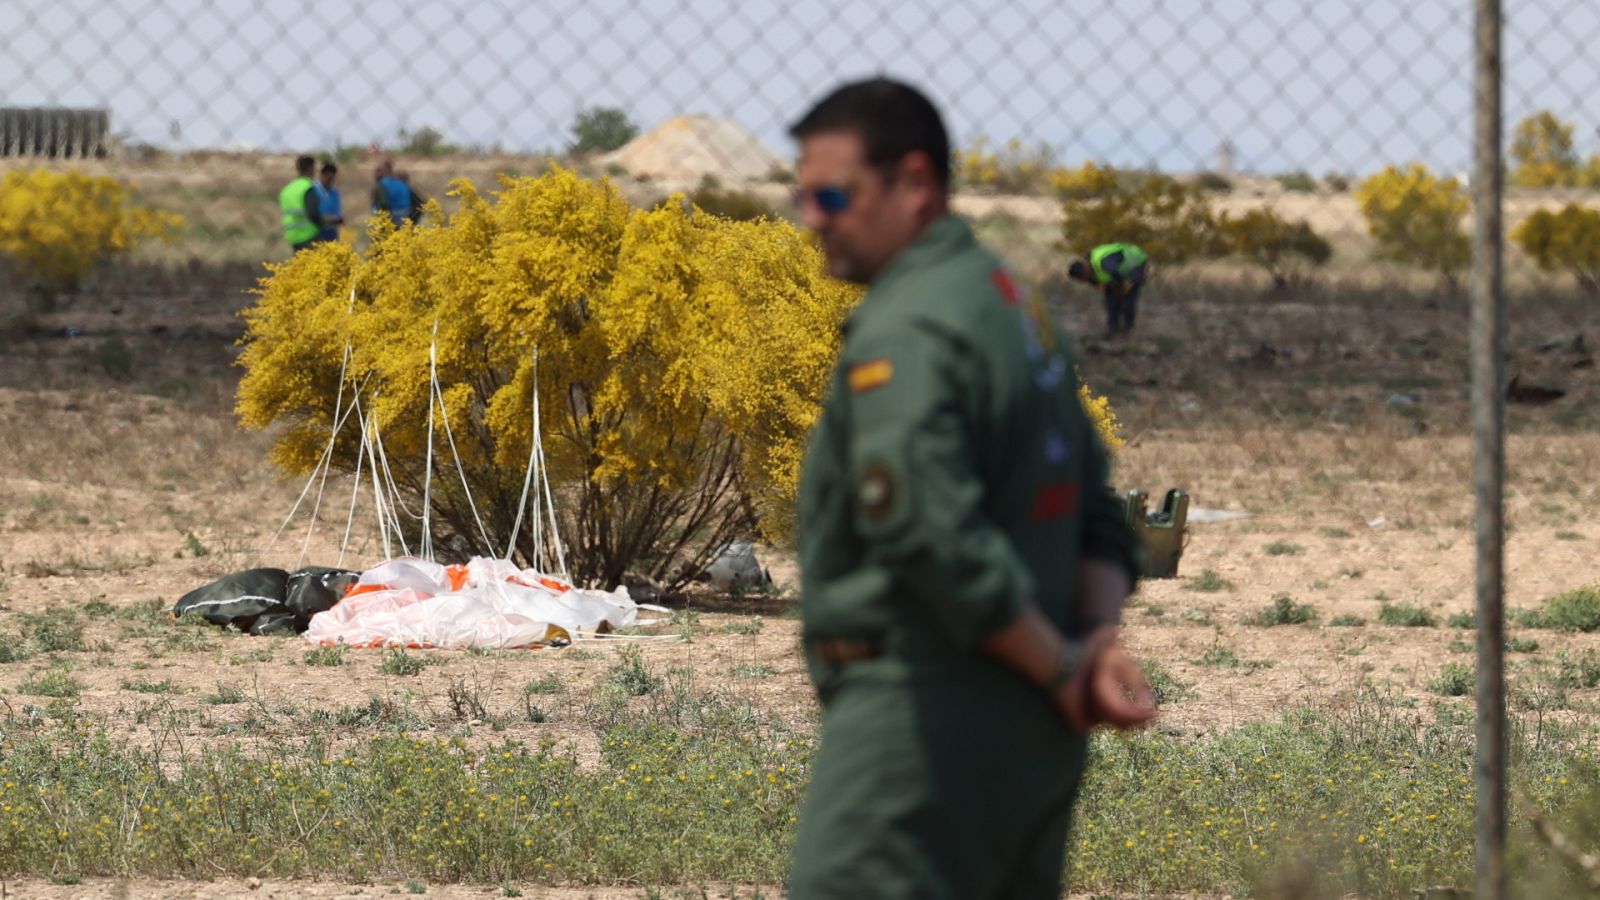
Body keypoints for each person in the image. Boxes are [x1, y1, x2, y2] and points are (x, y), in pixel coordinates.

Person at [787, 78, 1156, 900]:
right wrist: (1091, 644)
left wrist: (1062, 667)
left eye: (834, 196)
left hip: (922, 725)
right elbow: (1097, 509)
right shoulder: (1011, 304)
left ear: (915, 183)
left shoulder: (910, 327)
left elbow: (928, 534)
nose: (813, 218)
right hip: (1034, 740)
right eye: (801, 196)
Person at [1067, 242, 1149, 336]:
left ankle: (1128, 330)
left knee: (1127, 300)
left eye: (1083, 278)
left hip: (1134, 262)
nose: (1084, 281)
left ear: (1085, 270)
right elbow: (1103, 287)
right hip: (1117, 271)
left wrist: (1125, 285)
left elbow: (1116, 273)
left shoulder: (1103, 263)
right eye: (1081, 280)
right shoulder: (1089, 273)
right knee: (1111, 301)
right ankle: (1113, 330)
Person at [278, 155, 324, 252]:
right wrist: (322, 224)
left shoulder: (287, 189)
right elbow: (313, 213)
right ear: (310, 168)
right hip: (309, 235)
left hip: (293, 236)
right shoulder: (308, 187)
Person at [370, 160, 415, 227]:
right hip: (405, 213)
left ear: (384, 171)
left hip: (392, 214)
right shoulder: (400, 181)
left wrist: (383, 219)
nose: (375, 174)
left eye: (378, 171)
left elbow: (383, 203)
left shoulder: (382, 184)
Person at [312, 161, 344, 243]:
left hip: (332, 232)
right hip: (317, 231)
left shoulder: (335, 193)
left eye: (332, 178)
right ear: (322, 175)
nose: (330, 180)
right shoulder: (313, 190)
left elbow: (338, 212)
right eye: (328, 177)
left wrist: (339, 219)